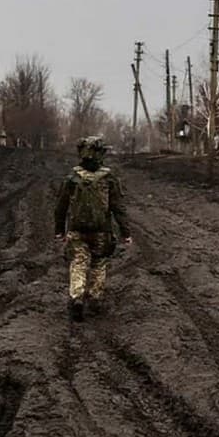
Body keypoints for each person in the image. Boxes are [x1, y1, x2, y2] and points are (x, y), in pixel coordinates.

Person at [53, 135, 132, 322]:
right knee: (98, 263)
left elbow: (61, 206)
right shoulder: (109, 178)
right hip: (101, 231)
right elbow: (118, 207)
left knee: (78, 263)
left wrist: (59, 230)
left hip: (76, 230)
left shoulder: (72, 177)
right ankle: (95, 298)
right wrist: (126, 232)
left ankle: (77, 297)